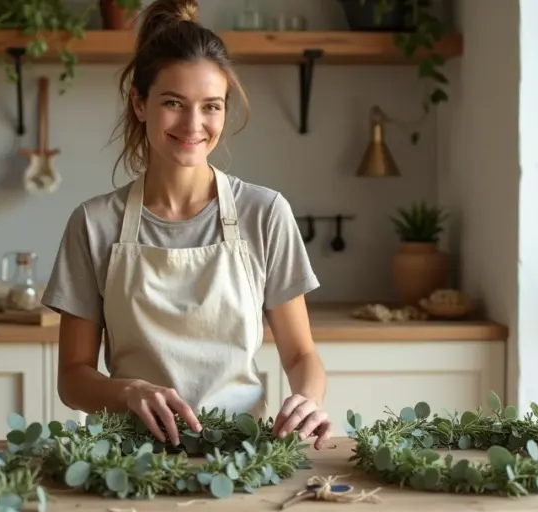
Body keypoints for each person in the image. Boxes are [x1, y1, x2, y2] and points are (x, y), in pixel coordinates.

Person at [40, 0, 332, 450]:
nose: (194, 124)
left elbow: (301, 354)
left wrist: (307, 399)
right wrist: (128, 391)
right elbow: (73, 378)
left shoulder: (265, 213)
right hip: (129, 460)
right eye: (173, 103)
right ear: (139, 103)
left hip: (242, 454)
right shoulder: (94, 223)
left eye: (211, 106)